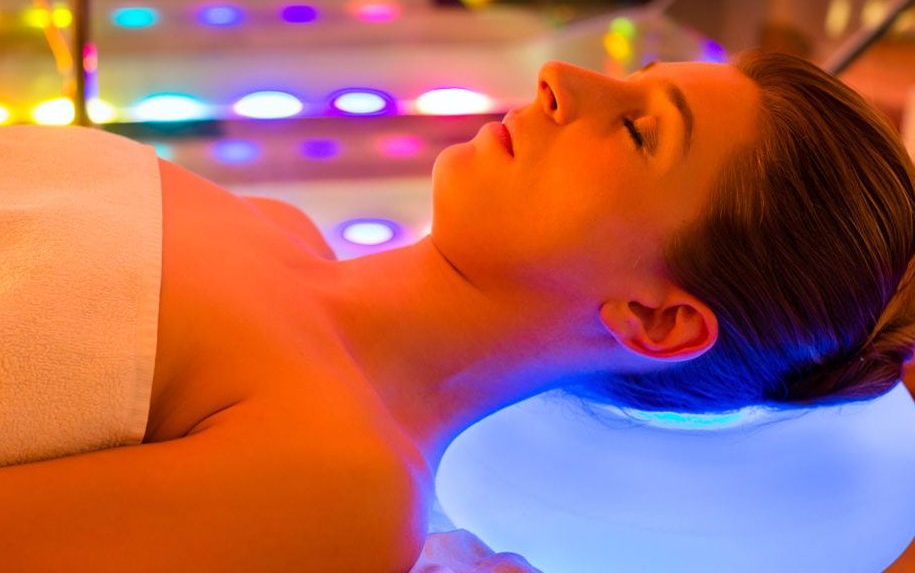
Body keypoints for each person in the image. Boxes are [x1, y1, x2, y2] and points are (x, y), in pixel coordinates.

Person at [0, 49, 912, 572]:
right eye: (629, 73)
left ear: (656, 321)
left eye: (640, 130)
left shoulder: (340, 488)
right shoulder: (272, 226)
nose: (565, 77)